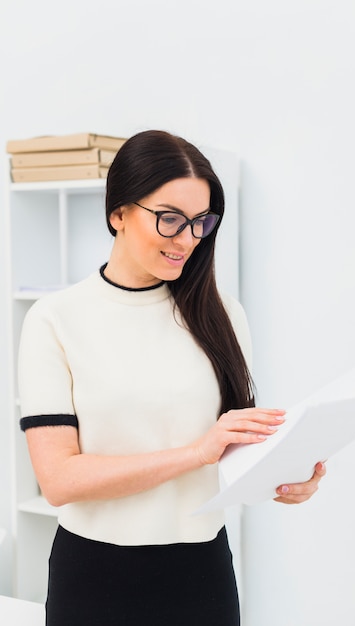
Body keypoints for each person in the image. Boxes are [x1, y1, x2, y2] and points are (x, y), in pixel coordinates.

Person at [18, 130, 326, 626]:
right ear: (117, 213)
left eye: (200, 222)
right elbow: (58, 479)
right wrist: (194, 454)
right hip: (96, 576)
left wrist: (282, 475)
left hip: (202, 572)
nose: (187, 239)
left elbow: (232, 449)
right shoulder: (55, 319)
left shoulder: (223, 314)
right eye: (169, 220)